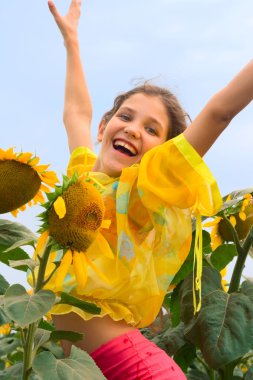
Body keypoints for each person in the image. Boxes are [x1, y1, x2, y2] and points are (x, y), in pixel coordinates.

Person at [47, 1, 253, 379]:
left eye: (151, 129)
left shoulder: (144, 191)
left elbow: (220, 111)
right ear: (104, 127)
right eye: (125, 117)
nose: (132, 129)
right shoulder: (81, 182)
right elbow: (75, 113)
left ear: (163, 156)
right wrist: (71, 41)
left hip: (132, 366)